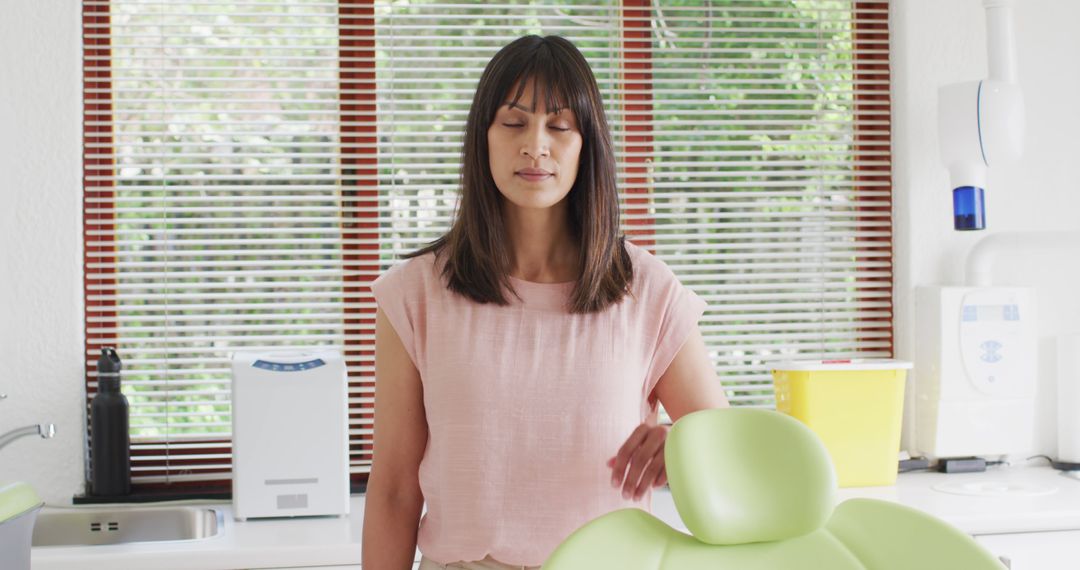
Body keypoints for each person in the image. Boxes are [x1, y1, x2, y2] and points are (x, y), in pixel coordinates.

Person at [362, 35, 729, 570]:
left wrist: (679, 445)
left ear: (587, 145)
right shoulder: (414, 293)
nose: (536, 145)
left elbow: (727, 455)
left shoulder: (646, 289)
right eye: (514, 123)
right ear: (483, 138)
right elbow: (394, 488)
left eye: (559, 126)